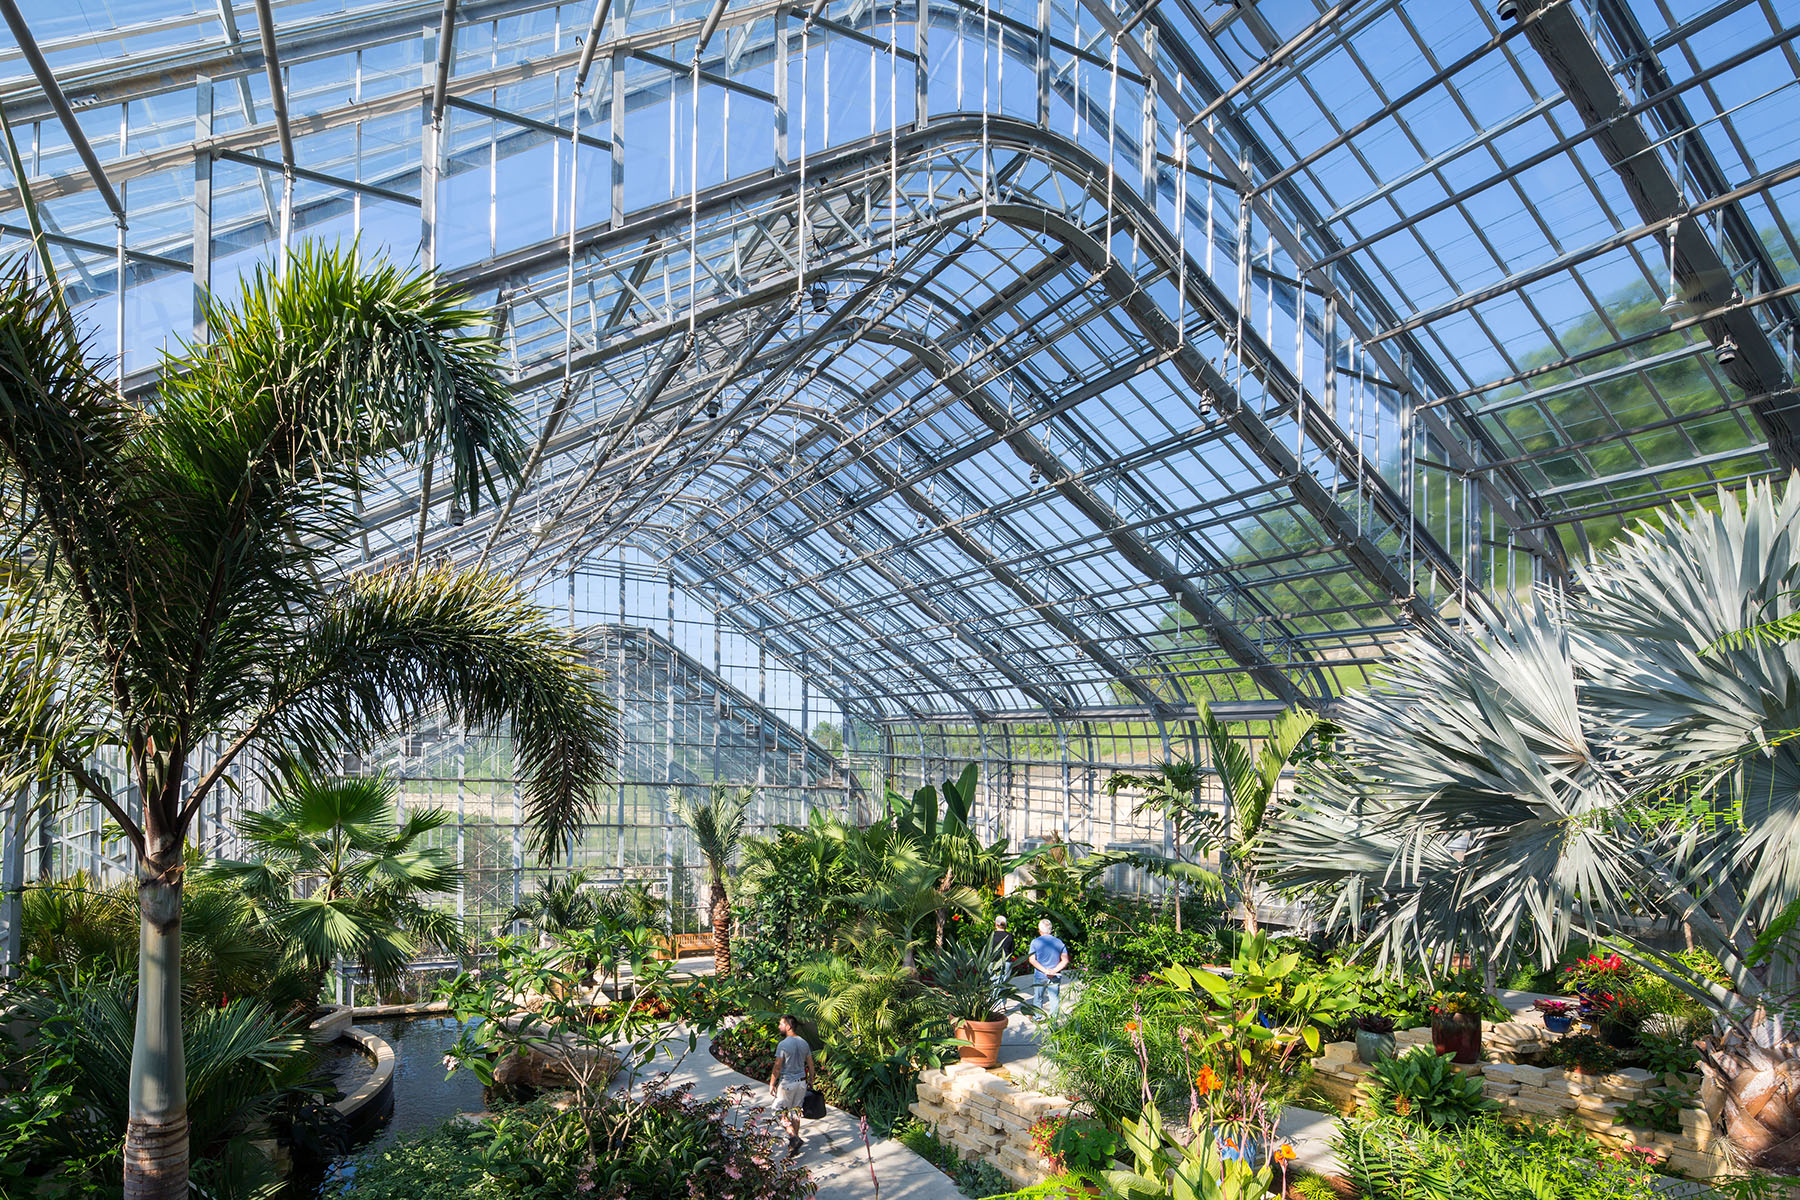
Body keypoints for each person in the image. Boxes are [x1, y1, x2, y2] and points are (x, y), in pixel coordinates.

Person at [768, 1013, 815, 1156]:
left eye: (781, 1024)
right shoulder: (804, 1043)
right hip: (801, 1083)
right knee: (795, 1113)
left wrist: (771, 1084)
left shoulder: (783, 1045)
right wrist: (811, 1080)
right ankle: (794, 1146)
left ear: (788, 1026)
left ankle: (793, 1137)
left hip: (787, 1083)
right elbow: (811, 1064)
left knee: (777, 1110)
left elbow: (777, 1067)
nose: (779, 1026)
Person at [1028, 917, 1069, 1021]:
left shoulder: (1035, 942)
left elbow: (1032, 960)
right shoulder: (1059, 942)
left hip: (1040, 975)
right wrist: (1053, 971)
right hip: (1055, 975)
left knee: (1038, 997)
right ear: (1051, 929)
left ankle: (1037, 1017)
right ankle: (1054, 1019)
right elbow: (1065, 960)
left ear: (1039, 930)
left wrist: (1045, 970)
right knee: (1054, 998)